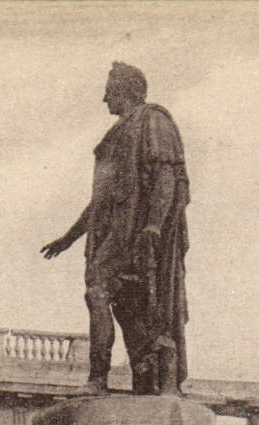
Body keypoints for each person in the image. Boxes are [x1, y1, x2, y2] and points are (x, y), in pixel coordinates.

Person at [41, 62, 190, 396]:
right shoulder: (120, 132)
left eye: (109, 90)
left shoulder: (153, 121)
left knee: (100, 294)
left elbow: (166, 177)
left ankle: (98, 379)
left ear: (126, 89)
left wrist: (153, 226)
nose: (104, 98)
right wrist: (68, 238)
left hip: (135, 233)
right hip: (112, 232)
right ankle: (143, 381)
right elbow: (100, 202)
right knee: (127, 310)